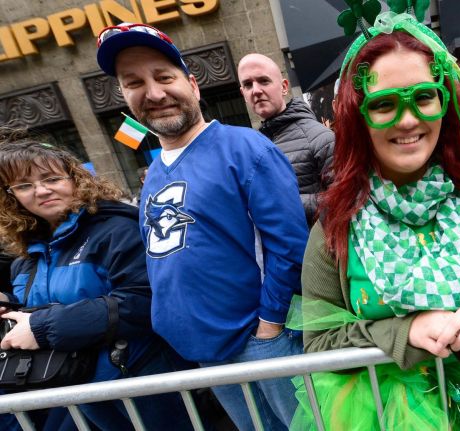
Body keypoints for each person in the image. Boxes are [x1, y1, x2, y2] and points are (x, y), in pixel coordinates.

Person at [292, 12, 460, 430]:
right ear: (358, 118)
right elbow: (320, 345)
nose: (408, 120)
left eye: (423, 97)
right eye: (383, 104)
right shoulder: (334, 228)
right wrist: (407, 332)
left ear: (444, 103)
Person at [95, 24, 309, 431]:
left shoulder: (244, 147)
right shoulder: (155, 170)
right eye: (134, 82)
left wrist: (269, 326)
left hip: (258, 341)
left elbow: (290, 246)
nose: (154, 93)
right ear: (123, 96)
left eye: (163, 77)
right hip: (202, 349)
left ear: (192, 84)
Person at [0, 133, 192, 430]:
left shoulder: (116, 230)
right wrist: (10, 310)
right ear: (11, 196)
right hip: (78, 389)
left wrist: (41, 328)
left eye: (51, 178)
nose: (40, 191)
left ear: (75, 178)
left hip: (141, 381)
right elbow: (42, 308)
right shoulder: (26, 257)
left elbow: (144, 301)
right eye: (24, 186)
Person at [238, 53, 335, 226]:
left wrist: (285, 203)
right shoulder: (250, 146)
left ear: (284, 87)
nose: (256, 90)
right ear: (243, 94)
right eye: (248, 84)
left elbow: (347, 202)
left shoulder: (320, 138)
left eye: (264, 81)